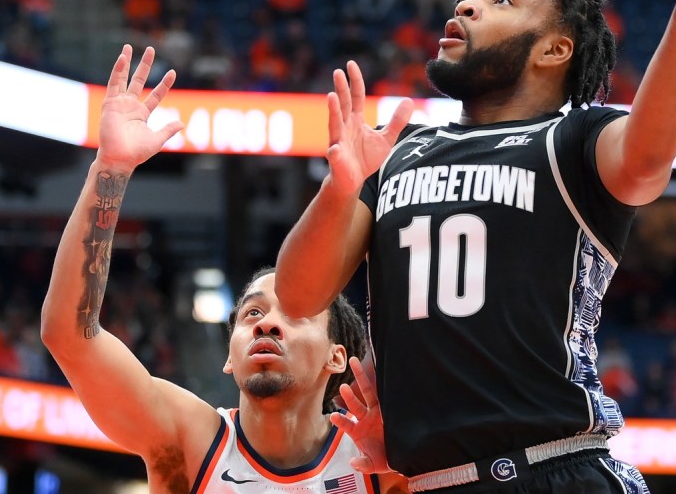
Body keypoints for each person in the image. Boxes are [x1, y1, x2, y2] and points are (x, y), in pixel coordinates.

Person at [275, 0, 676, 493]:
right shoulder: (398, 155)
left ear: (556, 47)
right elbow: (299, 297)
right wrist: (340, 187)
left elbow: (650, 145)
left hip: (555, 467)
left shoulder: (575, 139)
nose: (466, 6)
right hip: (434, 481)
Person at [41, 45, 407, 493]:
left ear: (337, 357)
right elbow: (68, 334)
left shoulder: (378, 457)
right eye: (252, 314)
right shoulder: (188, 440)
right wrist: (110, 169)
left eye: (295, 315)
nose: (268, 324)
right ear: (229, 358)